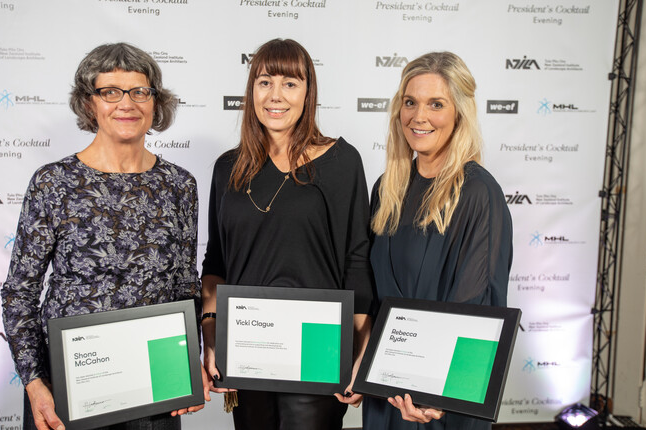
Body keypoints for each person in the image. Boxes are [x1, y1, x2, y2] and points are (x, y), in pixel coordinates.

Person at [1, 42, 209, 430]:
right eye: (110, 92)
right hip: (70, 387)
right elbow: (20, 292)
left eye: (140, 92)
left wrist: (187, 363)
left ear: (155, 103)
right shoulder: (54, 183)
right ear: (88, 103)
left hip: (155, 386)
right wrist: (33, 381)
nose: (126, 104)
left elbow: (185, 286)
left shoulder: (180, 185)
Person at [200, 38, 376, 430]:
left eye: (290, 83)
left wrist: (361, 350)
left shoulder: (342, 161)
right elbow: (216, 264)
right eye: (265, 82)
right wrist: (211, 334)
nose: (275, 96)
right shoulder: (227, 168)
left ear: (308, 93)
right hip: (246, 345)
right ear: (251, 91)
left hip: (319, 346)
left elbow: (357, 258)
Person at [363, 52, 513, 430]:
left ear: (460, 114)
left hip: (439, 404)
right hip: (389, 392)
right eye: (410, 102)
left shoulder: (479, 194)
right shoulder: (388, 189)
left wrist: (439, 401)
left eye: (436, 104)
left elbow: (479, 308)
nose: (419, 116)